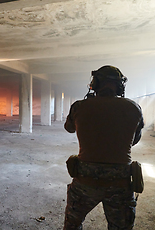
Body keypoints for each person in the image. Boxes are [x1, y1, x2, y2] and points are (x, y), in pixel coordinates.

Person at [63, 65, 144, 230]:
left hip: (85, 180)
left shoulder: (79, 106)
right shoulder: (133, 108)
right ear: (120, 86)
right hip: (120, 183)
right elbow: (135, 140)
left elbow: (69, 128)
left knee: (72, 225)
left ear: (95, 84)